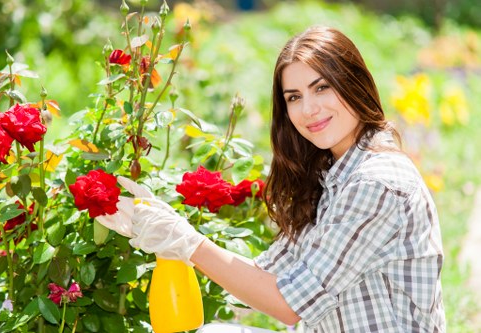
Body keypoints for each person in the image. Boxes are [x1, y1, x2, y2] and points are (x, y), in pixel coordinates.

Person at [97, 26, 446, 332]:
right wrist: (171, 230)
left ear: (354, 83)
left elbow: (288, 305)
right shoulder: (334, 174)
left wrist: (187, 242)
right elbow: (269, 276)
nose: (308, 109)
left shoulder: (376, 183)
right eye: (294, 97)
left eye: (321, 88)